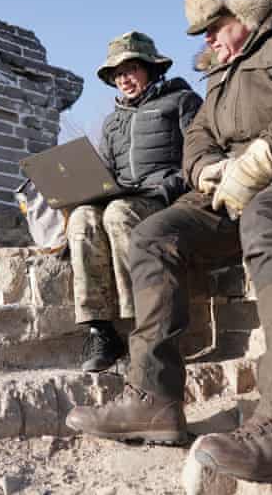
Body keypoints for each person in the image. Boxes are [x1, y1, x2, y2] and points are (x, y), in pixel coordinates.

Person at [66, 0, 272, 483]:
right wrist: (208, 168)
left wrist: (264, 155)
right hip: (231, 188)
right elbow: (199, 138)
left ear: (248, 10)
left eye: (215, 23)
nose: (206, 38)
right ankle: (154, 399)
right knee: (151, 234)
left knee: (268, 216)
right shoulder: (220, 76)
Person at [69, 31, 202, 373]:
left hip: (165, 198)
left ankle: (145, 328)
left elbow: (199, 158)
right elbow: (107, 173)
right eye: (117, 74)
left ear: (151, 69)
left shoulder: (182, 101)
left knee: (118, 213)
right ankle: (101, 331)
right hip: (124, 196)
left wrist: (166, 188)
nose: (123, 79)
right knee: (83, 217)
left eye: (130, 69)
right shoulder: (112, 122)